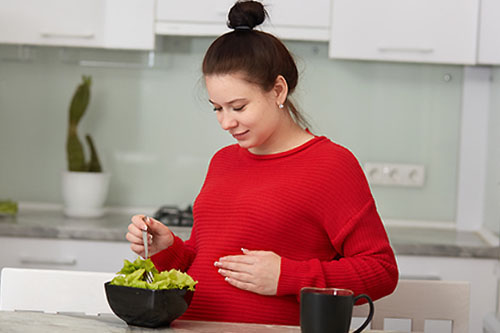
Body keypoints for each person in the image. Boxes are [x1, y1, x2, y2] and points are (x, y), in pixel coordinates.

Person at [126, 0, 398, 326]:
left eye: (238, 107)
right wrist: (166, 249)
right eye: (217, 108)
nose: (226, 122)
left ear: (278, 90)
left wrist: (288, 276)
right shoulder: (223, 161)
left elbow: (381, 270)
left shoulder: (331, 165)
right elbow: (205, 262)